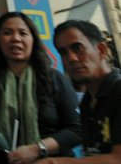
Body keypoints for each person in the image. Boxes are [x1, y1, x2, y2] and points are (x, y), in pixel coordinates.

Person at [0, 13, 82, 163]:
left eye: (23, 33)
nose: (16, 38)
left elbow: (76, 130)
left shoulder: (55, 79)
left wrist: (37, 149)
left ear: (33, 39)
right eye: (7, 33)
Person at [40, 20, 121, 162]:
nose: (71, 58)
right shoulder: (86, 103)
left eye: (77, 48)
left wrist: (54, 162)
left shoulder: (118, 90)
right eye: (63, 52)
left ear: (101, 50)